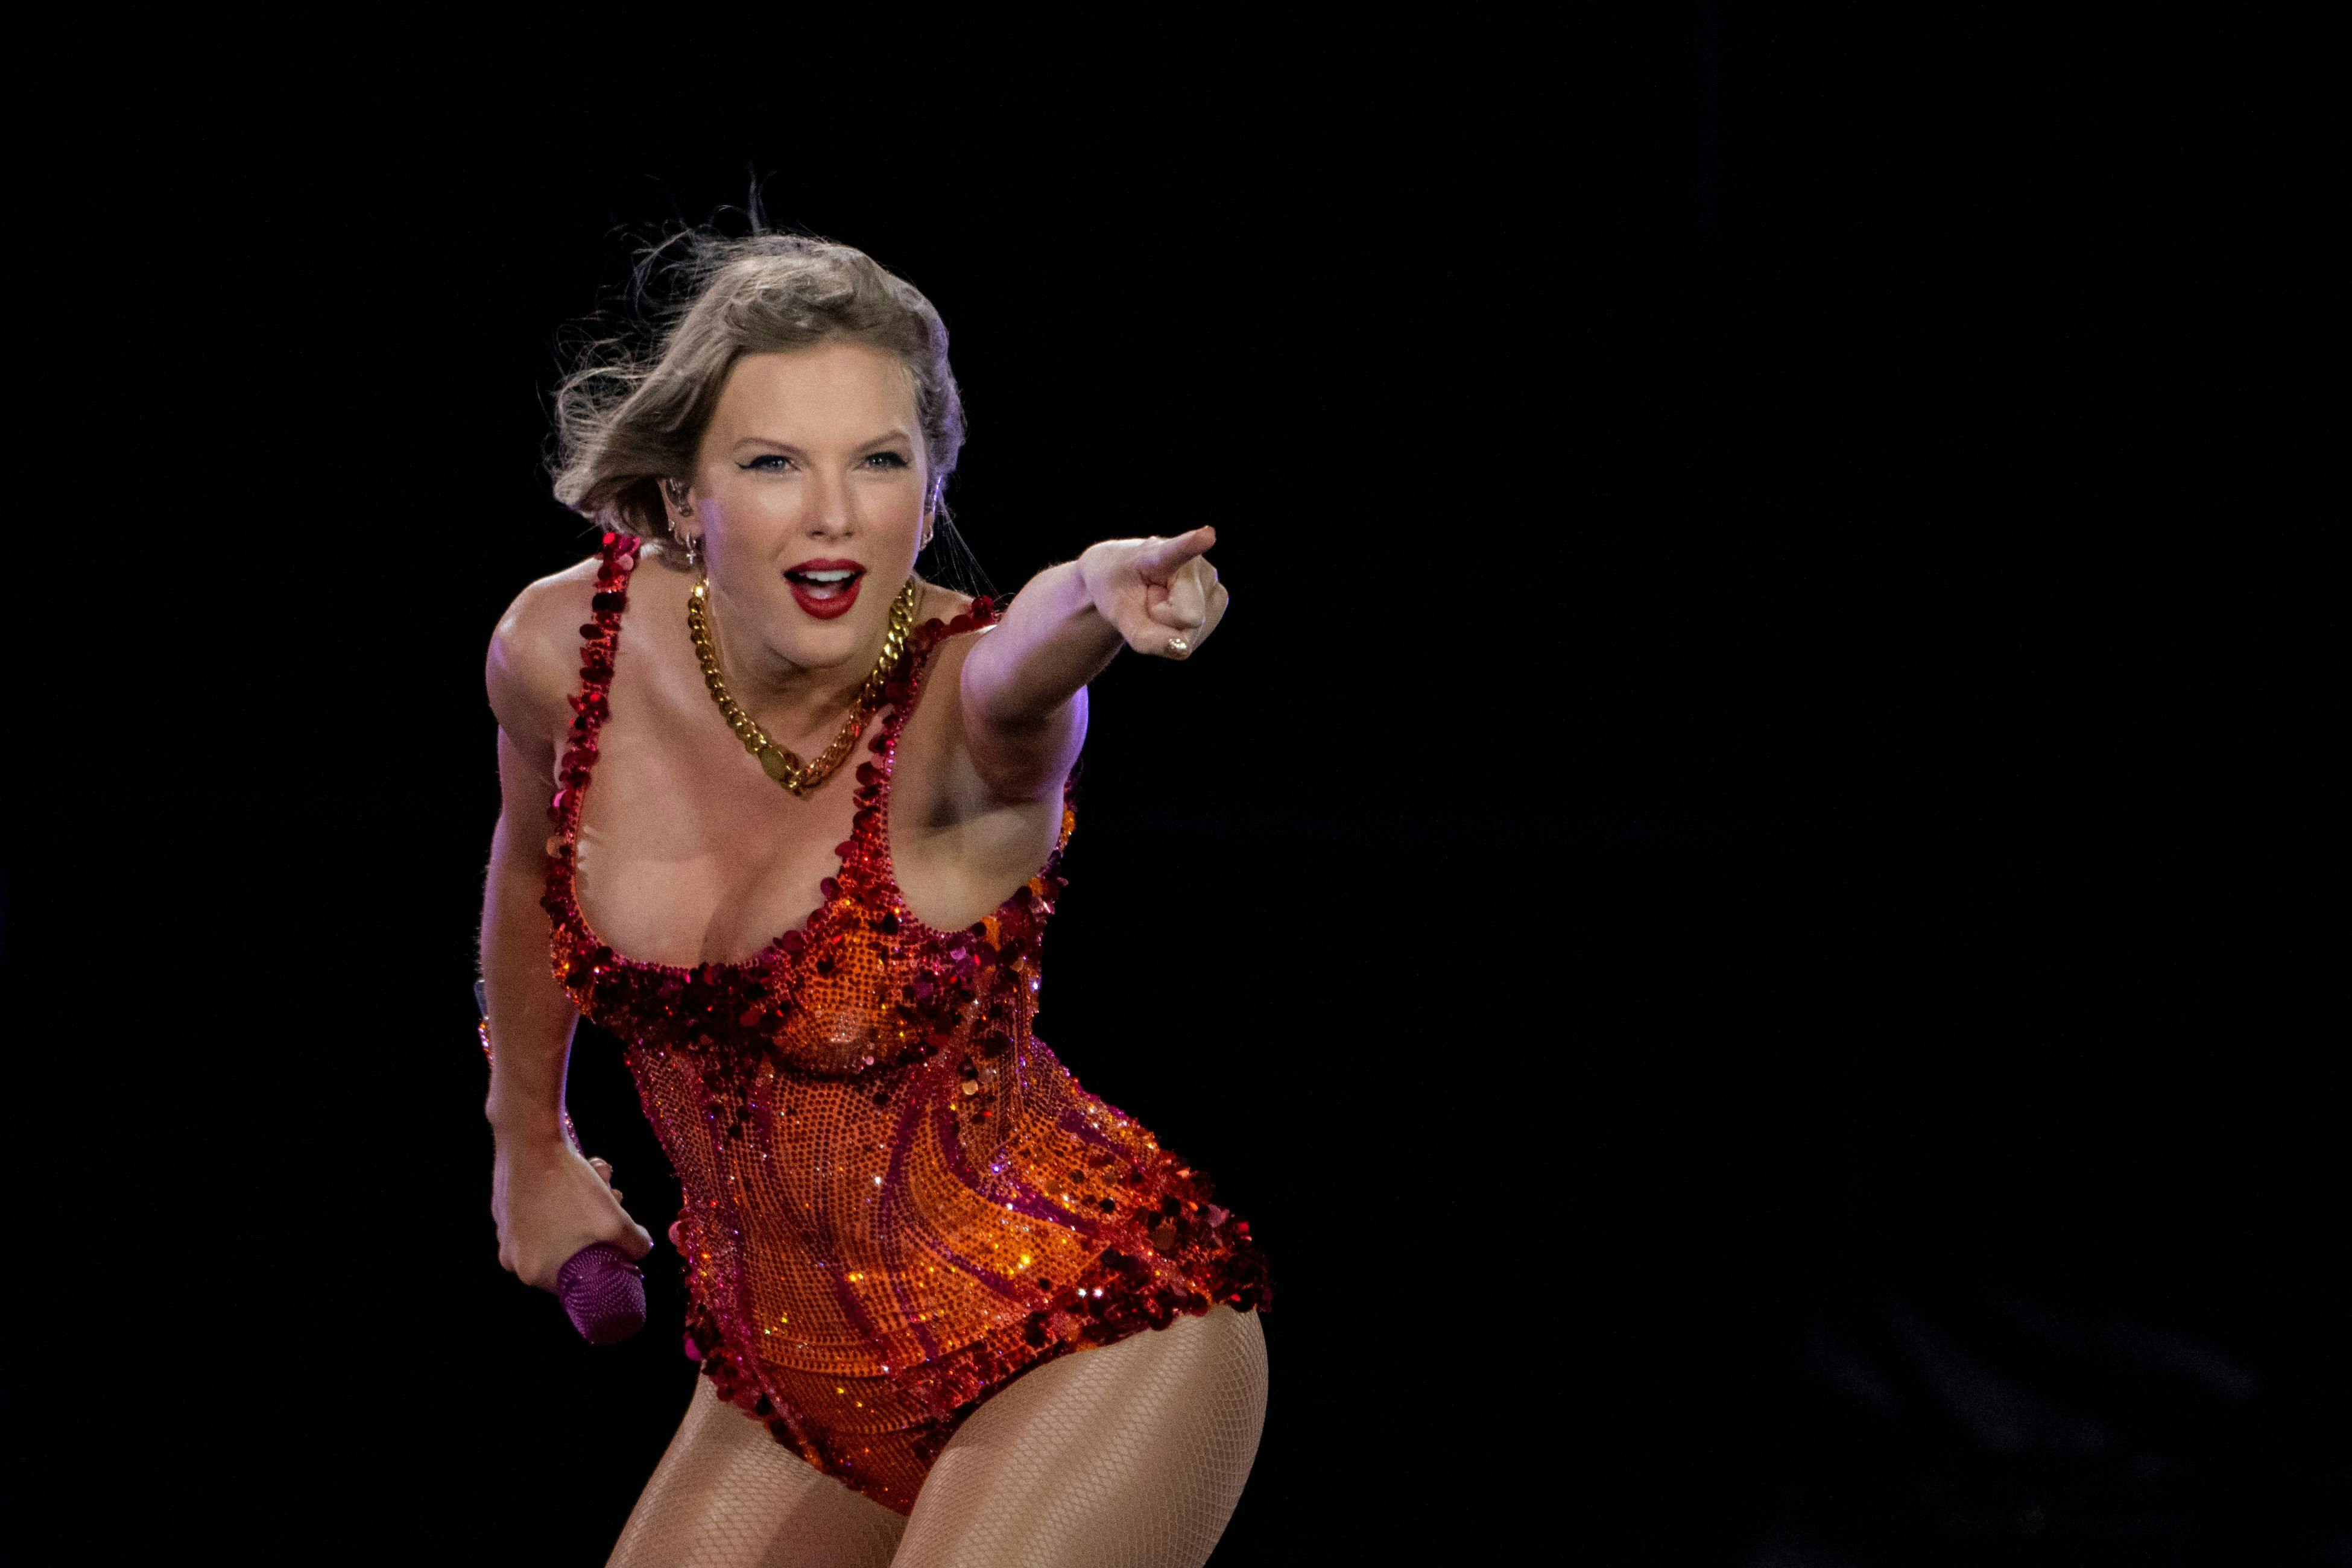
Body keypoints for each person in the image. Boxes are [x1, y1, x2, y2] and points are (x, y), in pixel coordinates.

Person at [476, 231, 1272, 1568]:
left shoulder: (969, 711)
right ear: (684, 500)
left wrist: (1096, 587)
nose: (837, 513)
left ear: (930, 484)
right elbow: (522, 876)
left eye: (882, 460)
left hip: (1087, 1329)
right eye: (776, 462)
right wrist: (528, 1146)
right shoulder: (563, 656)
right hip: (789, 1387)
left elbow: (1033, 654)